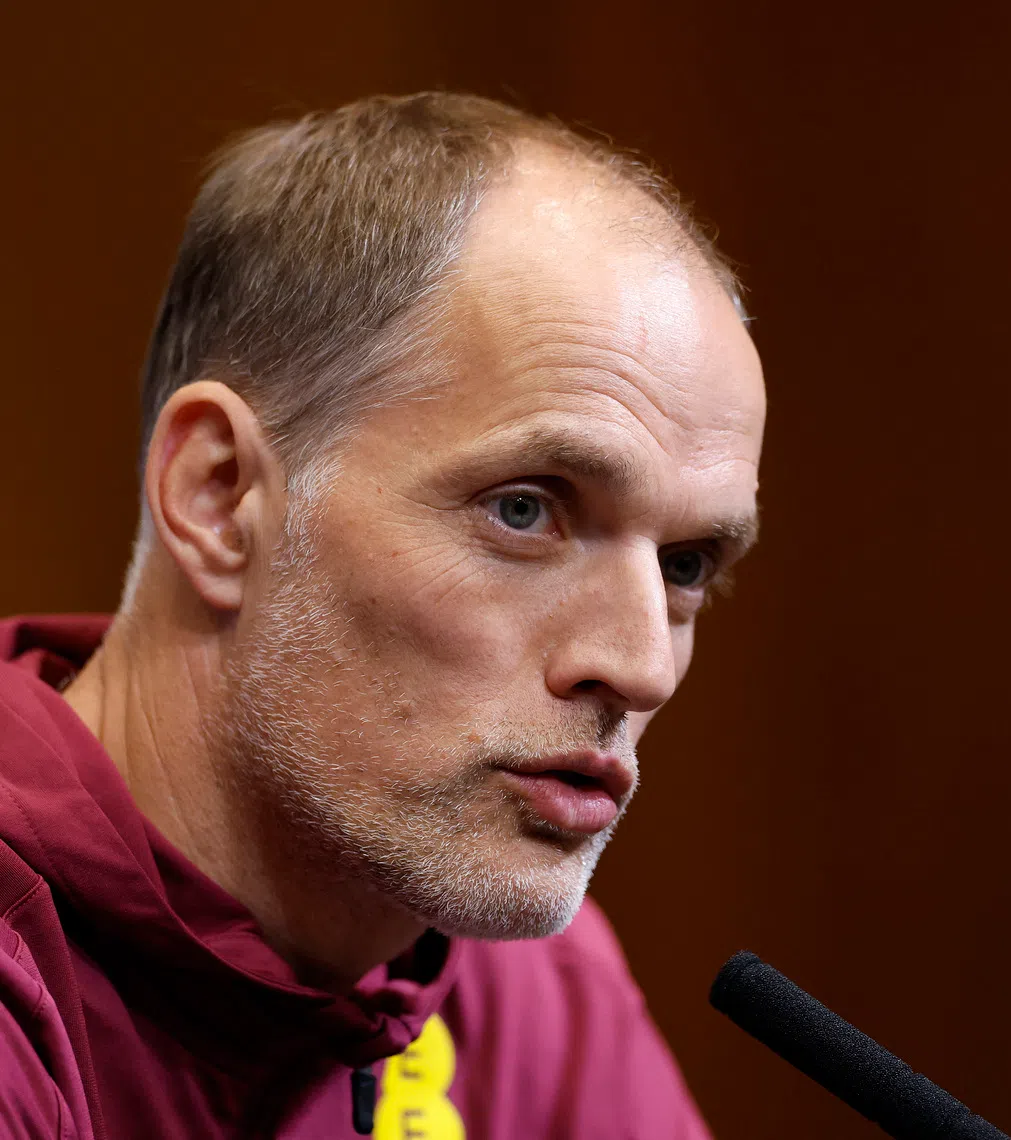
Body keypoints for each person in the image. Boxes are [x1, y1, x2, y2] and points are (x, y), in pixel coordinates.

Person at [0, 92, 765, 1139]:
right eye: (525, 509)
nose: (641, 667)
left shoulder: (531, 986)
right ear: (220, 498)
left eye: (686, 564)